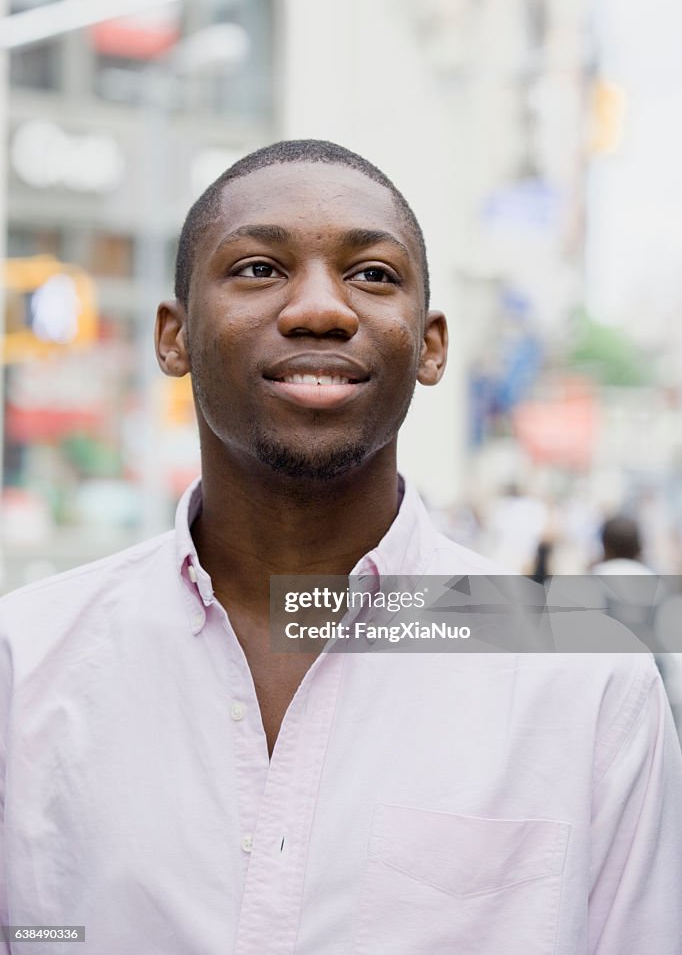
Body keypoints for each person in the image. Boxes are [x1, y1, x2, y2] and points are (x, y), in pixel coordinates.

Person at [1, 140, 680, 954]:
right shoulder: (26, 663)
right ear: (173, 337)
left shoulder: (588, 679)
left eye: (373, 275)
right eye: (257, 268)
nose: (321, 309)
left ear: (430, 345)